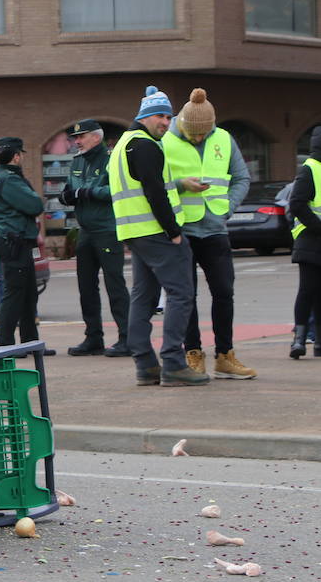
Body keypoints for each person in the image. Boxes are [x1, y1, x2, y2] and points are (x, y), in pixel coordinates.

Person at [109, 86, 210, 387]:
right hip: (157, 233)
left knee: (143, 296)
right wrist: (174, 231)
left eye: (169, 117)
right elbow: (154, 192)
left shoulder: (123, 144)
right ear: (145, 117)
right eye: (160, 117)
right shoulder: (145, 146)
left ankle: (145, 365)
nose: (166, 123)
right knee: (181, 294)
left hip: (134, 233)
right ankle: (174, 364)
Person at [162, 89, 255, 378]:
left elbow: (241, 178)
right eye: (194, 134)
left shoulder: (224, 138)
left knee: (224, 292)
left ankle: (225, 355)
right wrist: (180, 184)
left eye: (204, 134)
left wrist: (226, 207)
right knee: (186, 296)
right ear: (183, 125)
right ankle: (193, 353)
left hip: (215, 228)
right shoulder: (164, 140)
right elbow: (155, 184)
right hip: (182, 229)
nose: (199, 139)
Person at [58, 120, 130, 357]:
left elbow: (117, 190)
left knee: (115, 285)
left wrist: (88, 193)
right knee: (86, 286)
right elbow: (72, 187)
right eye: (75, 138)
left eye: (82, 137)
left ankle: (127, 337)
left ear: (96, 137)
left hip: (106, 229)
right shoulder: (78, 161)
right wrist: (66, 196)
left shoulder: (111, 159)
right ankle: (93, 337)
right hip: (85, 230)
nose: (77, 142)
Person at [0, 138, 48, 352]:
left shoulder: (1, 175)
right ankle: (5, 343)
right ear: (16, 156)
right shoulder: (9, 179)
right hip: (15, 241)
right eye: (20, 154)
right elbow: (34, 205)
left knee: (28, 293)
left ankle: (31, 342)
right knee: (15, 294)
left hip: (15, 240)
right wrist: (35, 199)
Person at [288, 127, 321, 360]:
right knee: (308, 290)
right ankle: (299, 339)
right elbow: (297, 203)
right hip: (310, 240)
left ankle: (319, 342)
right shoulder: (310, 170)